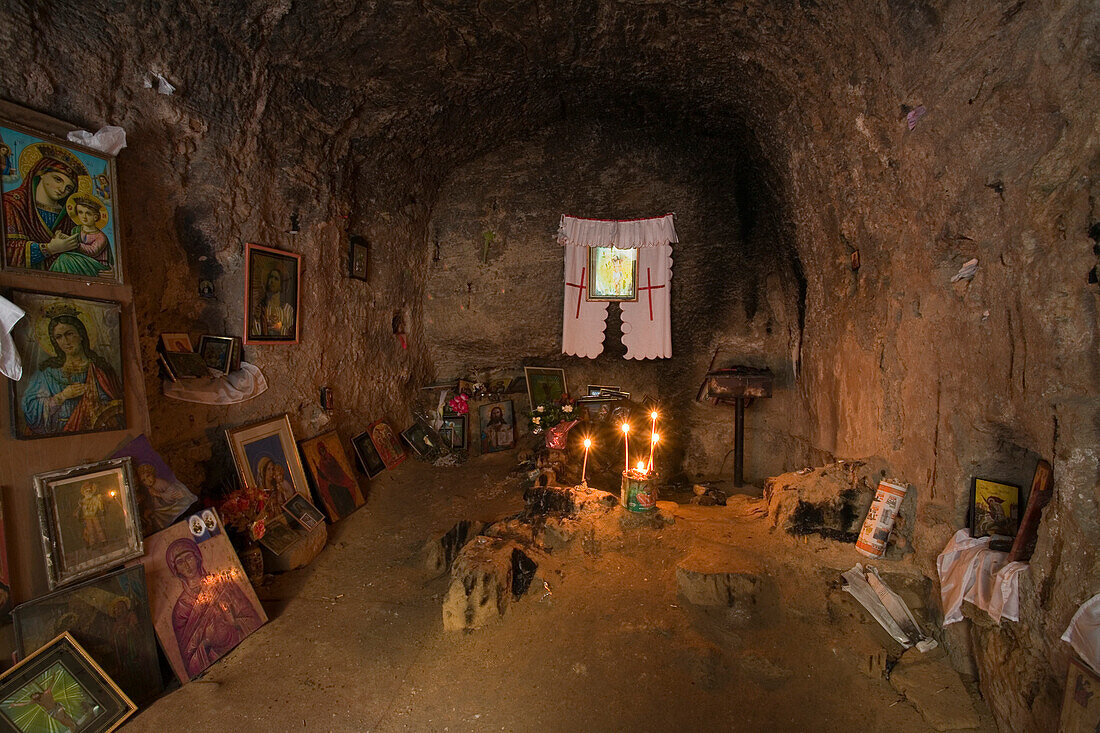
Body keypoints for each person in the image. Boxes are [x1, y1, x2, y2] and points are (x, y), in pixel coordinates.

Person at [166, 538, 263, 678]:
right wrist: (206, 642)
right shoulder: (181, 610)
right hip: (216, 667)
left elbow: (252, 619)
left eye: (189, 557)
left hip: (244, 646)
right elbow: (189, 661)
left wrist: (234, 622)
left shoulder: (222, 584)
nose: (187, 565)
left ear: (197, 558)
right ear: (175, 570)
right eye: (180, 562)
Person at [20, 304, 124, 436]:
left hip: (97, 437)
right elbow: (30, 409)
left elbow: (118, 407)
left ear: (81, 335)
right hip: (60, 441)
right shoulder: (46, 373)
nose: (65, 341)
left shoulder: (101, 370)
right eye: (59, 337)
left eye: (69, 334)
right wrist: (62, 396)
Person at [3, 142, 88, 271]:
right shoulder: (12, 204)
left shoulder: (68, 216)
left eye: (68, 187)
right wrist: (50, 249)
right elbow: (7, 252)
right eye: (58, 179)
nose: (62, 189)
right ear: (41, 173)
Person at [136, 462, 195, 533]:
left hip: (175, 502)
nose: (148, 481)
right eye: (144, 480)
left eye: (148, 476)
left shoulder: (160, 483)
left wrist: (158, 494)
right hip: (164, 507)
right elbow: (156, 503)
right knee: (157, 515)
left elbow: (173, 494)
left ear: (153, 474)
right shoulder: (150, 489)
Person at [311, 441, 358, 517]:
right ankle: (343, 513)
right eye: (321, 451)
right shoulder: (321, 463)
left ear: (325, 449)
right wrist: (327, 481)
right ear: (319, 452)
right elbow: (322, 476)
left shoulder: (331, 458)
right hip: (332, 485)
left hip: (339, 480)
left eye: (323, 450)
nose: (322, 452)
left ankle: (351, 508)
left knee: (345, 492)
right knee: (336, 497)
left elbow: (338, 469)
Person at [253, 265, 294, 336]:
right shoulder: (261, 308)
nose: (272, 281)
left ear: (281, 285)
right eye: (270, 277)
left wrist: (280, 328)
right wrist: (257, 319)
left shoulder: (288, 310)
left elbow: (292, 334)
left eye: (276, 279)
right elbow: (255, 334)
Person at [77, 481, 108, 548]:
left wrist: (100, 501)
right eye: (86, 491)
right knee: (90, 531)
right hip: (87, 517)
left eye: (89, 490)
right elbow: (82, 509)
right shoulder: (83, 501)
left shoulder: (95, 498)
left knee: (98, 528)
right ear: (84, 492)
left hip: (94, 516)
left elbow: (100, 507)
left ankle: (103, 541)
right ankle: (92, 543)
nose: (88, 492)